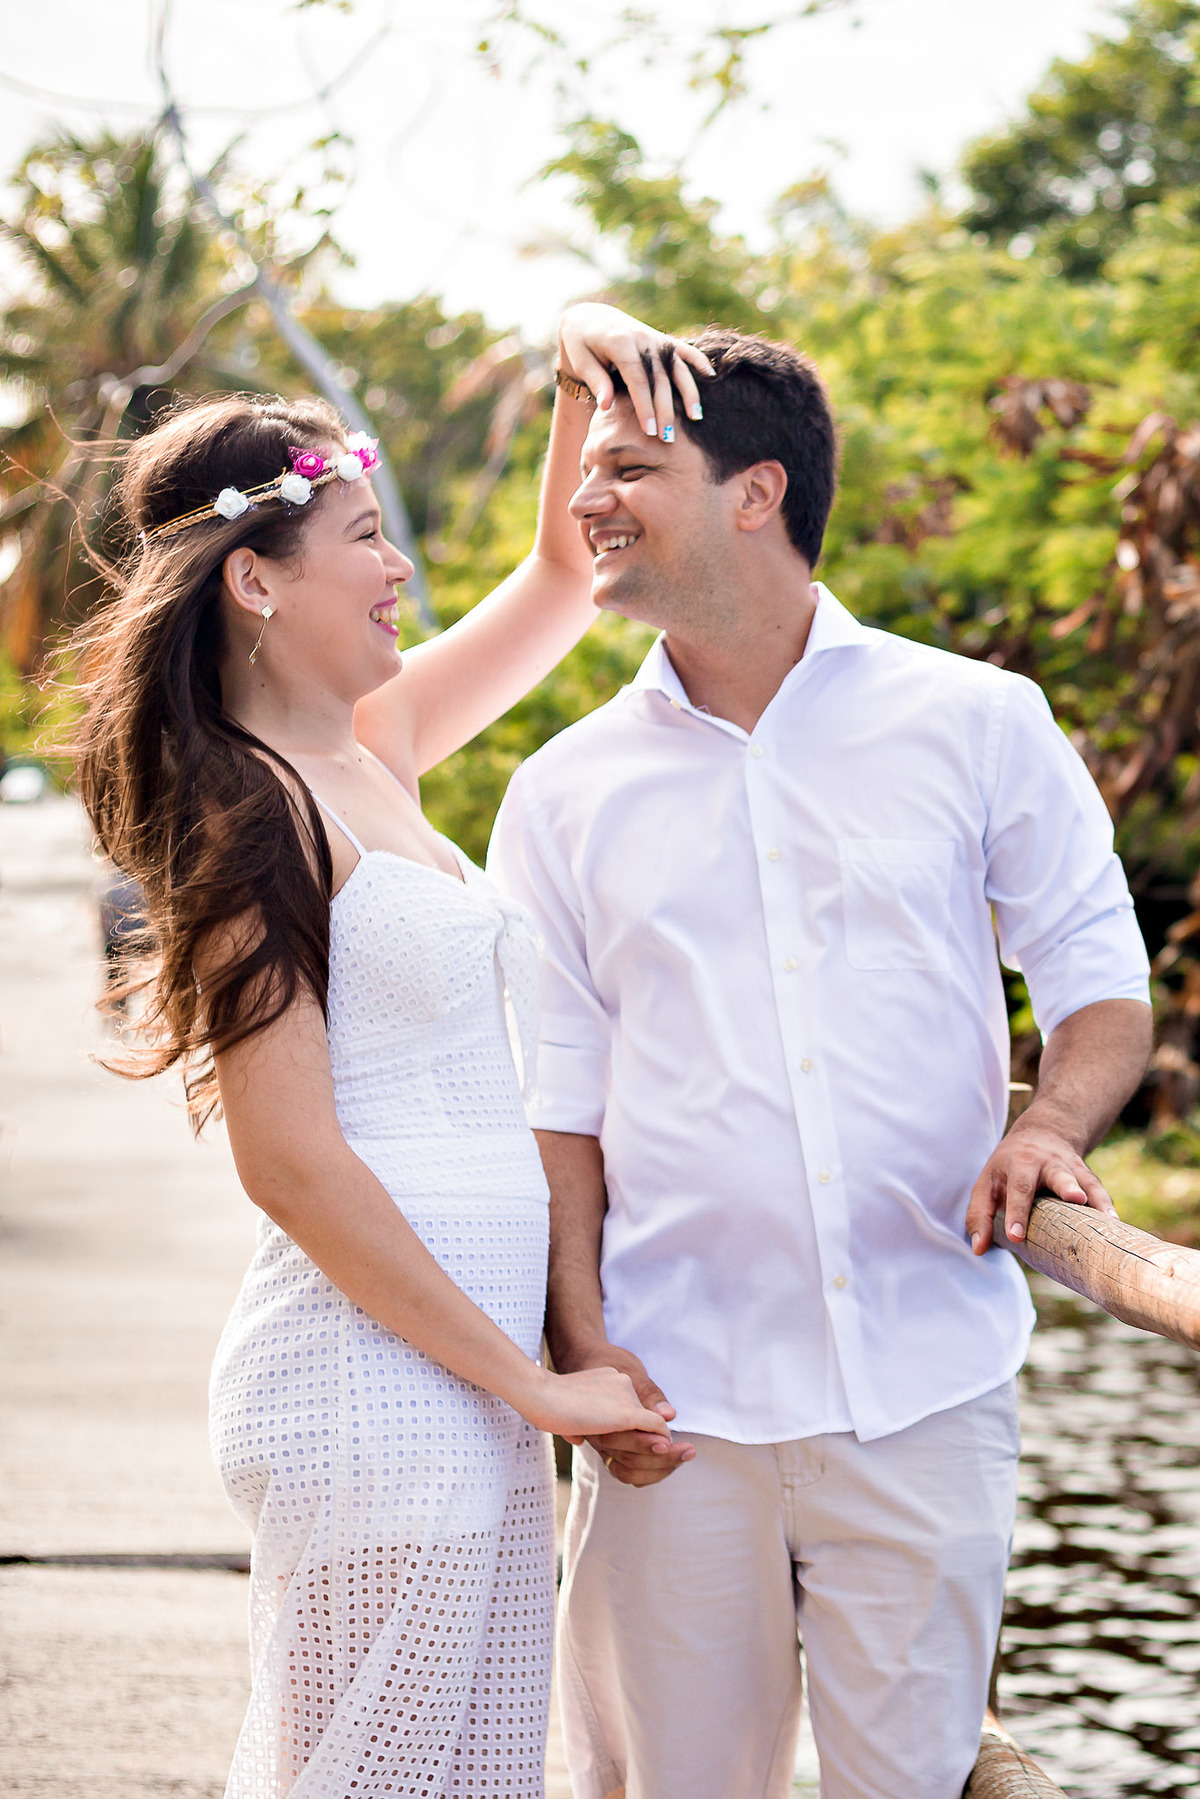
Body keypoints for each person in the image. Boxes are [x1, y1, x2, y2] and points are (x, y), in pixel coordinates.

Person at [487, 328, 1155, 1799]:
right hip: (676, 1405)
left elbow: (1102, 980)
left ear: (756, 492)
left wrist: (1050, 1121)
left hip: (924, 1382)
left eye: (627, 470)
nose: (587, 502)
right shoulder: (560, 794)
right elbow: (560, 1107)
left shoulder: (978, 720)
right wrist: (586, 1346)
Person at [72, 303, 711, 1799]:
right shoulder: (249, 811)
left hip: (454, 1379)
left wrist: (575, 358)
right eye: (365, 534)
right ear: (254, 577)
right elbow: (290, 1164)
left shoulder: (376, 746)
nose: (399, 566)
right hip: (376, 1385)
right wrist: (534, 1384)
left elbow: (563, 575)